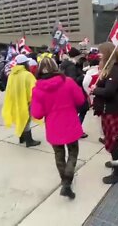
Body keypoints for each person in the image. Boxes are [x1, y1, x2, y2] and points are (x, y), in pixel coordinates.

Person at [31, 57, 85, 199]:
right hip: (70, 124)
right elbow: (80, 100)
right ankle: (67, 181)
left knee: (59, 155)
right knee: (73, 152)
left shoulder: (37, 89)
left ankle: (65, 182)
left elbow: (37, 114)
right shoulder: (68, 82)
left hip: (53, 127)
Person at [91, 42, 118, 184]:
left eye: (101, 52)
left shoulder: (116, 69)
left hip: (112, 109)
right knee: (111, 139)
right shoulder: (109, 68)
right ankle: (117, 161)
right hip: (107, 109)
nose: (99, 54)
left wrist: (95, 89)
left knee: (112, 140)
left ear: (108, 53)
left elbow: (109, 91)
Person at [2, 54, 41, 148]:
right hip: (26, 101)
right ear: (25, 63)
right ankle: (29, 141)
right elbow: (34, 89)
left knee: (20, 117)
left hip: (16, 100)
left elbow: (9, 88)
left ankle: (21, 137)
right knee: (26, 119)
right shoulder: (27, 74)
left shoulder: (12, 74)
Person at [60, 48, 89, 139]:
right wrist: (82, 76)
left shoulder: (65, 65)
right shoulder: (71, 66)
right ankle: (76, 130)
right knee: (83, 110)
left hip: (67, 92)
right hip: (76, 92)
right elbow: (73, 80)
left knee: (74, 112)